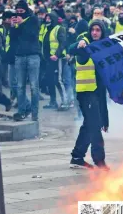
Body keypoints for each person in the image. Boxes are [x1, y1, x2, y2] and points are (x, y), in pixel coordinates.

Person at [67, 20, 109, 170]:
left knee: (89, 124)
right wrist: (80, 44)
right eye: (93, 30)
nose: (95, 33)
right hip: (86, 92)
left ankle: (77, 156)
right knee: (94, 126)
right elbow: (71, 48)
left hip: (97, 92)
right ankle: (99, 161)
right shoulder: (85, 44)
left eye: (98, 30)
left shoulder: (103, 47)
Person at [10, 0, 41, 121]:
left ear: (26, 11)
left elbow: (32, 35)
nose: (19, 14)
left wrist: (22, 23)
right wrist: (13, 26)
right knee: (20, 86)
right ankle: (21, 112)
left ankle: (34, 113)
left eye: (21, 11)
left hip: (33, 55)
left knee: (34, 86)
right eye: (17, 12)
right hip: (20, 55)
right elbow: (13, 38)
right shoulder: (18, 22)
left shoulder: (33, 19)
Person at [41, 12, 69, 110]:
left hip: (58, 58)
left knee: (58, 80)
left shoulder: (59, 28)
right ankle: (53, 102)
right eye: (46, 18)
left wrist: (56, 55)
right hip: (49, 59)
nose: (47, 20)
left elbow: (63, 43)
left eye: (49, 18)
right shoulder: (46, 29)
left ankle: (65, 102)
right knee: (50, 80)